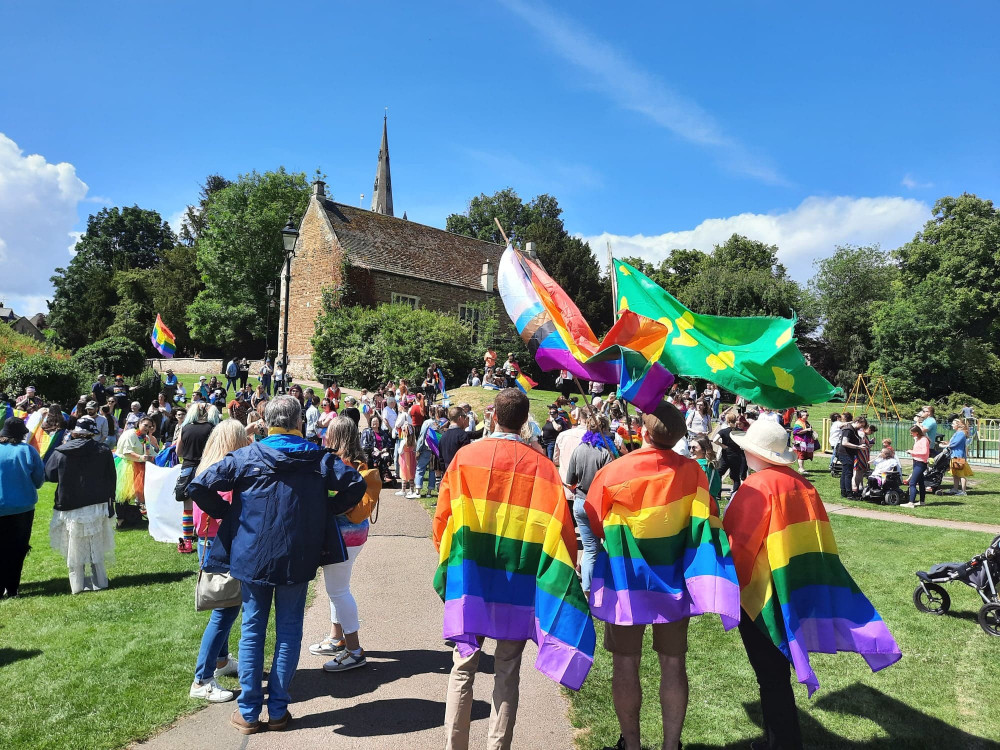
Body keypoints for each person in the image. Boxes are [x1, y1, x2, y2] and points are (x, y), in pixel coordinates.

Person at [187, 395, 366, 734]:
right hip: (296, 554)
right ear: (299, 422)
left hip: (252, 553)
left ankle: (250, 712)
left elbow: (199, 484)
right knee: (288, 630)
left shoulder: (247, 456)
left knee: (253, 630)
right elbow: (355, 484)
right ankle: (278, 708)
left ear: (267, 421)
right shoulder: (317, 458)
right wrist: (326, 510)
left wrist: (229, 515)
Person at [724, 419, 901, 750]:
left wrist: (729, 591)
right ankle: (782, 739)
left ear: (752, 452)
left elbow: (738, 547)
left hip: (765, 593)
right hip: (796, 586)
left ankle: (782, 742)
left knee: (771, 675)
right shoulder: (802, 484)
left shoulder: (755, 488)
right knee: (778, 670)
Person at [433, 388, 595, 750]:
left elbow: (443, 520)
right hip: (518, 582)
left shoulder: (465, 458)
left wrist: (452, 561)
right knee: (507, 669)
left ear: (493, 417)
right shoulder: (542, 468)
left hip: (471, 576)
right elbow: (562, 534)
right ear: (524, 422)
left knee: (462, 666)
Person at [585, 401, 739, 750]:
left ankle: (633, 745)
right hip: (674, 581)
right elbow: (707, 516)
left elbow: (594, 522)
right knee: (673, 663)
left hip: (626, 582)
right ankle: (672, 745)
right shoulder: (693, 472)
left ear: (643, 431)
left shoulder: (614, 470)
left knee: (626, 662)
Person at [310, 417, 380, 672]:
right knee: (338, 587)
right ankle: (336, 637)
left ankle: (354, 650)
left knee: (338, 591)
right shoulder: (360, 461)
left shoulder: (337, 464)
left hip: (342, 532)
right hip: (358, 530)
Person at [188, 419, 249, 703]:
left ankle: (222, 660)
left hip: (208, 541)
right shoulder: (226, 473)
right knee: (224, 611)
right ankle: (202, 678)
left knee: (223, 605)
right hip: (220, 544)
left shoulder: (207, 466)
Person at [44, 416, 116, 594]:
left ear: (75, 432)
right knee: (95, 542)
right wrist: (110, 500)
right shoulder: (103, 450)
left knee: (74, 544)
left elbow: (50, 475)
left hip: (70, 502)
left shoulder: (61, 450)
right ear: (92, 433)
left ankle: (77, 583)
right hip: (96, 501)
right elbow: (111, 477)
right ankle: (100, 580)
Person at [565, 414, 614, 595]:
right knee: (598, 548)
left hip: (580, 503)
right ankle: (591, 588)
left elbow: (570, 479)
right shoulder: (606, 452)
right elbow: (610, 482)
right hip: (599, 505)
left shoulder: (579, 450)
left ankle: (589, 585)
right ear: (605, 430)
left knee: (590, 548)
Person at [0, 418, 45, 598]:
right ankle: (12, 588)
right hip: (22, 508)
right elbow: (39, 480)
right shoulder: (28, 451)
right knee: (17, 548)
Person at [175, 403, 217, 553]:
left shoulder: (185, 428)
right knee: (206, 503)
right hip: (205, 468)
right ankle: (207, 535)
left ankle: (187, 542)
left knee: (187, 506)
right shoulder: (212, 428)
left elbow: (178, 451)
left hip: (187, 467)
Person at [115, 417, 158, 523]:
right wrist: (141, 457)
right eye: (145, 425)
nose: (147, 428)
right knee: (123, 493)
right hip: (126, 465)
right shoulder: (130, 434)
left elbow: (151, 452)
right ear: (139, 423)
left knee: (134, 494)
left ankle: (129, 516)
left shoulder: (146, 438)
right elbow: (127, 452)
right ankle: (120, 519)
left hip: (139, 465)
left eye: (149, 426)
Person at [714, 411, 746, 494]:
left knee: (719, 474)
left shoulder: (723, 431)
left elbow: (714, 440)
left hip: (726, 456)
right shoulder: (739, 431)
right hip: (736, 456)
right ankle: (734, 494)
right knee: (735, 477)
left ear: (727, 421)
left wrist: (722, 445)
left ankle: (718, 493)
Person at [900, 424, 930, 508]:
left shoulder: (924, 440)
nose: (911, 434)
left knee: (912, 482)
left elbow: (924, 452)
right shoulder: (918, 439)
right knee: (921, 483)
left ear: (917, 432)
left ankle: (911, 502)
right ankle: (922, 501)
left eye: (912, 433)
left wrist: (912, 452)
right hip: (917, 462)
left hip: (920, 463)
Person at [414, 406, 440, 499]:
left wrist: (418, 450)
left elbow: (422, 437)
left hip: (426, 448)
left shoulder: (427, 422)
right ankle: (429, 491)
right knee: (432, 470)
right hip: (436, 450)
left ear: (430, 412)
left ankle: (418, 490)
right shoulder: (440, 422)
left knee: (420, 468)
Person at [839, 415, 867, 499]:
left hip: (849, 453)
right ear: (857, 422)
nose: (861, 427)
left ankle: (844, 491)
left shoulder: (853, 430)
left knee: (845, 473)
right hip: (845, 453)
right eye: (861, 425)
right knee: (848, 474)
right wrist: (858, 447)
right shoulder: (848, 429)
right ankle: (849, 493)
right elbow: (845, 442)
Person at [691, 435, 722, 504]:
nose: (691, 450)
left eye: (694, 448)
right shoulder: (710, 464)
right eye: (690, 447)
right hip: (712, 503)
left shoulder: (701, 467)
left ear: (703, 450)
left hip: (701, 504)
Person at [438, 406, 471, 471]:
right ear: (460, 418)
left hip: (448, 473)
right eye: (465, 417)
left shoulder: (443, 436)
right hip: (459, 473)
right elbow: (466, 458)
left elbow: (441, 459)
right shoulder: (462, 435)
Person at [947, 418, 973, 495]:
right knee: (955, 474)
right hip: (954, 455)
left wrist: (946, 445)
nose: (952, 425)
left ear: (958, 425)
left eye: (953, 424)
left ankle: (963, 491)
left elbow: (955, 443)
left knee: (961, 474)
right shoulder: (958, 433)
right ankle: (955, 489)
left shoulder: (961, 433)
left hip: (958, 456)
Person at [791, 409, 817, 473]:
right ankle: (801, 468)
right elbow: (796, 432)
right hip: (800, 441)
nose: (807, 416)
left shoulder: (805, 422)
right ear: (801, 416)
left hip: (804, 441)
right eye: (806, 415)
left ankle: (801, 467)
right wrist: (807, 430)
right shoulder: (798, 422)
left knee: (802, 455)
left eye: (808, 415)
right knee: (800, 455)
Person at [397, 420, 417, 498]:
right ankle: (412, 490)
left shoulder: (403, 442)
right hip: (411, 459)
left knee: (404, 474)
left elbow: (400, 451)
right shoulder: (414, 441)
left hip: (404, 460)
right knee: (411, 474)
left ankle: (403, 490)